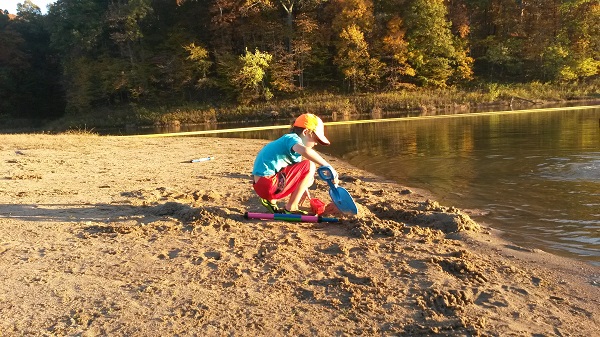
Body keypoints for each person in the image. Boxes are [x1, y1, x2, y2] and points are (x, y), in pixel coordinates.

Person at [252, 113, 339, 214]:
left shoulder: (293, 152)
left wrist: (303, 189)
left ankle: (271, 201)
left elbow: (295, 175)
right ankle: (291, 207)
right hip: (268, 184)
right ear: (306, 132)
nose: (316, 144)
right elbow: (306, 151)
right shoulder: (291, 138)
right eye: (316, 139)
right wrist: (327, 166)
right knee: (310, 165)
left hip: (260, 186)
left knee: (309, 178)